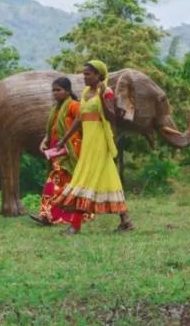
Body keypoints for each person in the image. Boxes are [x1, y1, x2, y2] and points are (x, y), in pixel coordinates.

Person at [54, 60, 134, 234]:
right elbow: (79, 119)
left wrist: (105, 97)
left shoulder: (107, 92)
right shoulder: (84, 93)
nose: (84, 77)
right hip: (88, 141)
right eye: (84, 74)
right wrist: (64, 138)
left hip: (100, 140)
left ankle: (75, 225)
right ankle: (126, 220)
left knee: (85, 177)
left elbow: (111, 118)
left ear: (99, 75)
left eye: (88, 74)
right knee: (109, 177)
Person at [30, 76, 83, 229]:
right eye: (53, 90)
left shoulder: (74, 105)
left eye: (58, 90)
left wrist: (70, 142)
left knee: (54, 181)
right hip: (56, 148)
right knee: (61, 183)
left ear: (67, 91)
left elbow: (81, 124)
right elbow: (52, 128)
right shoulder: (56, 108)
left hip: (69, 149)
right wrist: (45, 140)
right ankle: (52, 215)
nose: (55, 93)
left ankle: (47, 215)